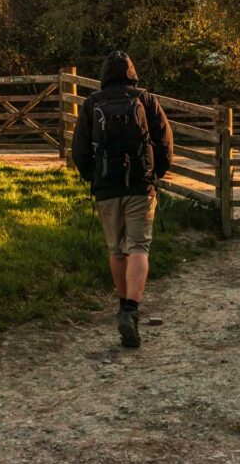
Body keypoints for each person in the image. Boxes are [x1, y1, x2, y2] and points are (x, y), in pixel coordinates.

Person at [71, 51, 174, 348]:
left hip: (106, 188)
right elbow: (165, 142)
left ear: (104, 73)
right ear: (131, 71)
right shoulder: (145, 99)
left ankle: (121, 306)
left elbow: (79, 149)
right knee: (139, 247)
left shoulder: (93, 103)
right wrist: (155, 175)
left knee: (117, 249)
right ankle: (131, 310)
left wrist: (93, 177)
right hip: (140, 186)